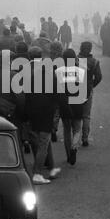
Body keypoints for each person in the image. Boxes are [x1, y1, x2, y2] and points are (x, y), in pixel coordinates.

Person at [26, 46, 65, 184]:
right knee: (43, 142)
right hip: (46, 113)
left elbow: (25, 94)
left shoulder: (28, 74)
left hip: (32, 112)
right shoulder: (50, 75)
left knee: (43, 141)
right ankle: (37, 173)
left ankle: (52, 167)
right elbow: (59, 94)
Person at [78, 41, 102, 146]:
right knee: (86, 116)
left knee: (76, 116)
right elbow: (99, 77)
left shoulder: (74, 60)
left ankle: (75, 137)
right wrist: (92, 85)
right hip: (87, 89)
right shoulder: (94, 62)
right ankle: (85, 138)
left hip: (75, 90)